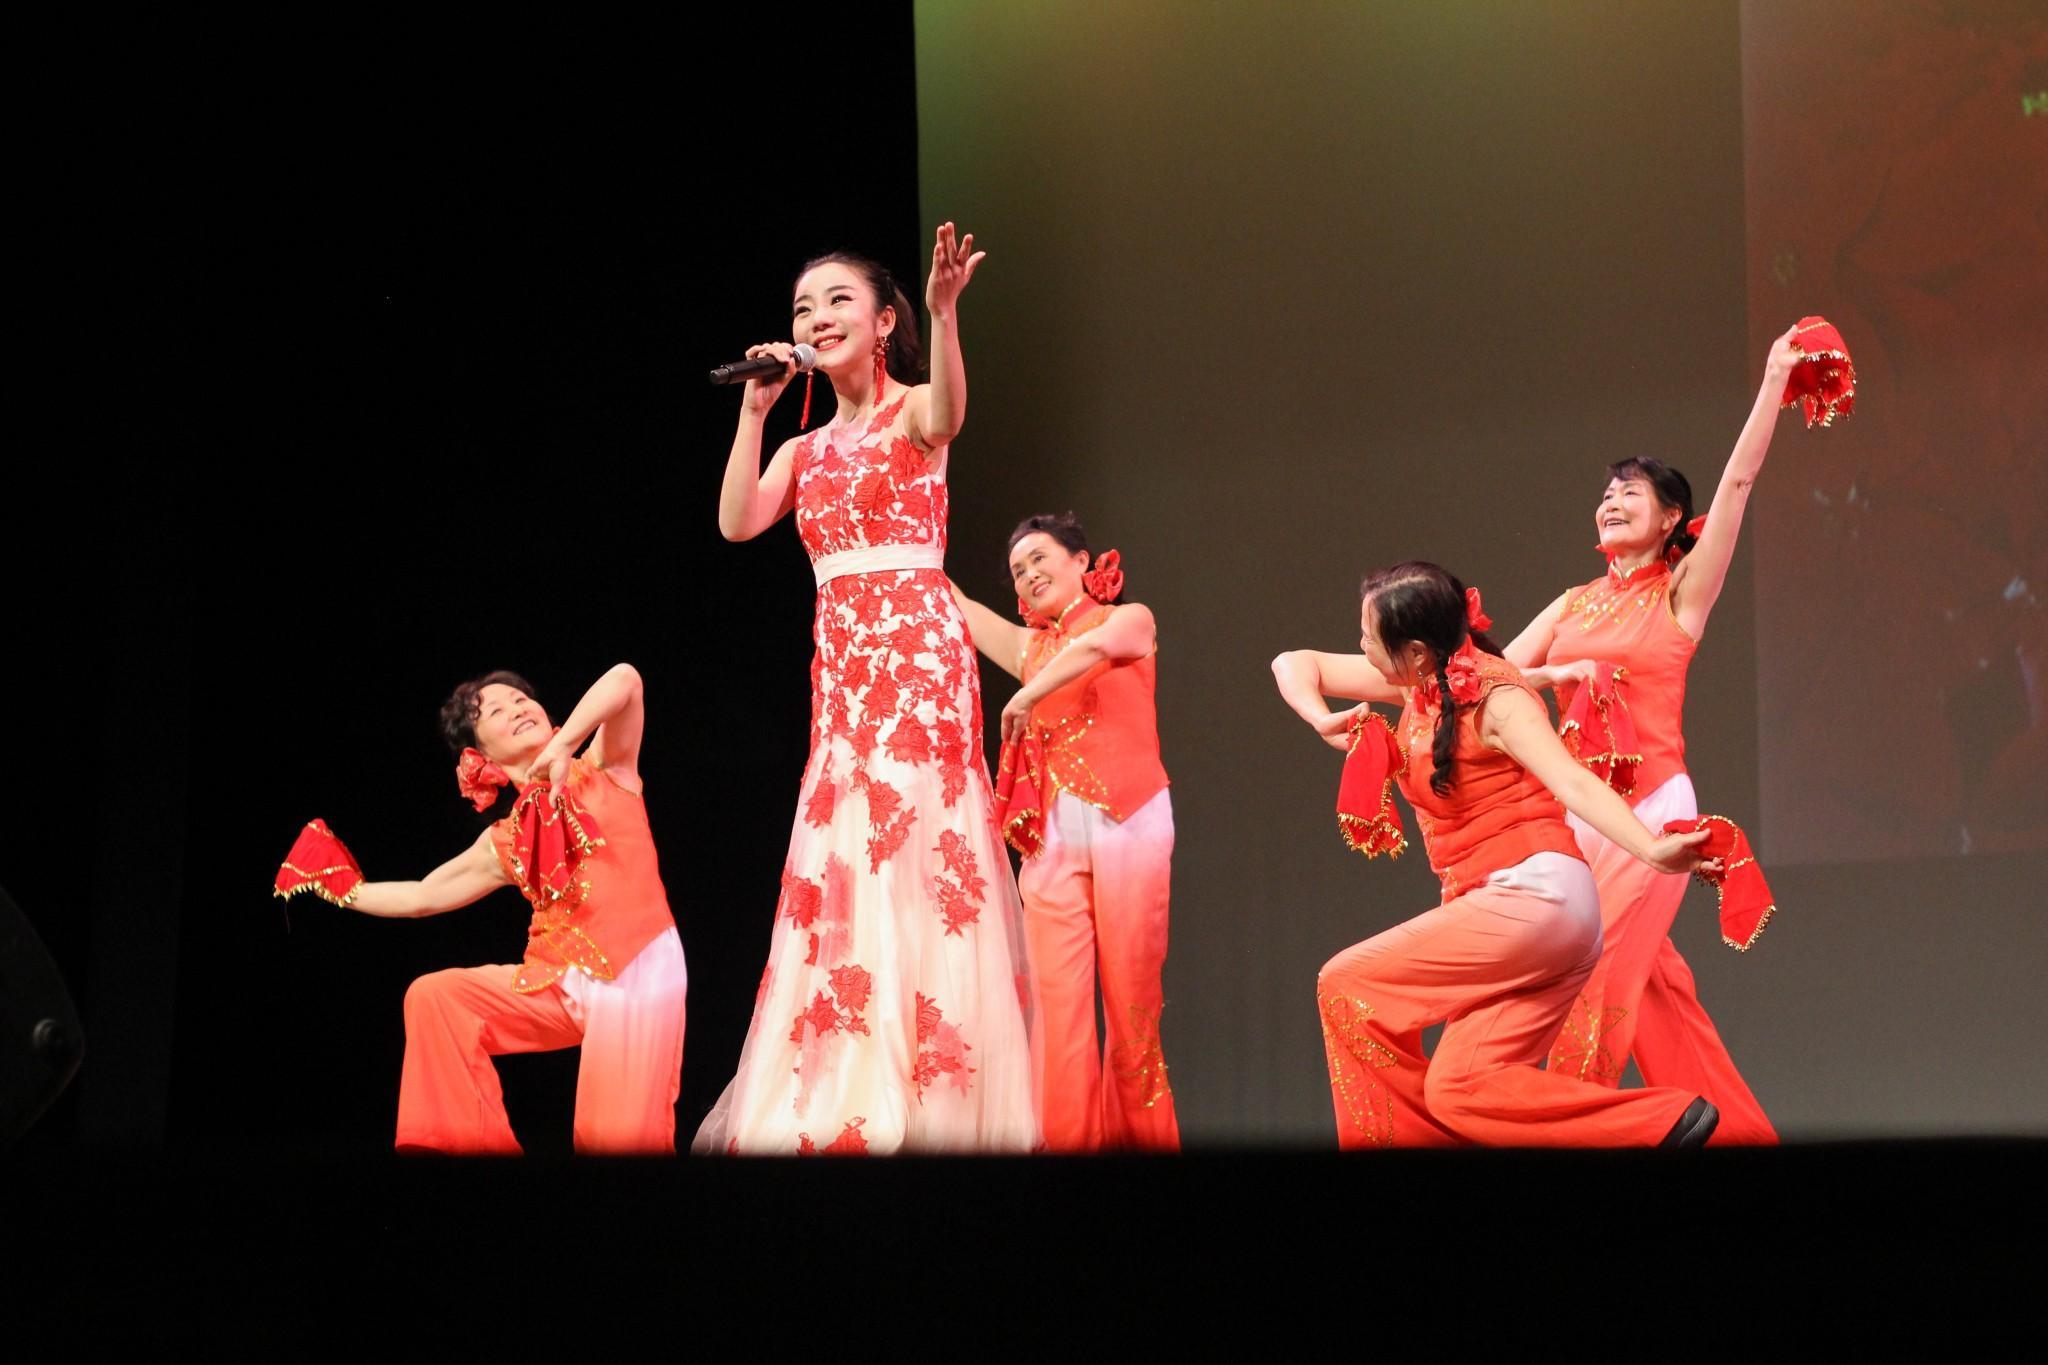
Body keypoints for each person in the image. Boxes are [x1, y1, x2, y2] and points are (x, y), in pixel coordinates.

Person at [700, 225, 1038, 1154]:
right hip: (844, 674)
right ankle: (851, 1081)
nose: (817, 316)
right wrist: (756, 412)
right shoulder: (805, 449)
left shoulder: (916, 409)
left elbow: (953, 415)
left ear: (884, 319)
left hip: (918, 663)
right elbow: (737, 523)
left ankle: (934, 1088)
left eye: (839, 299)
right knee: (848, 849)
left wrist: (945, 309)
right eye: (805, 306)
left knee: (919, 848)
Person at [1272, 563, 1720, 1147]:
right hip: (1530, 923)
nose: (1359, 647)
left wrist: (1654, 850)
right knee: (1460, 1087)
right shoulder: (1419, 684)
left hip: (1537, 900)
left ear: (1415, 652)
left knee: (1345, 985)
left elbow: (1573, 783)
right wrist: (1318, 716)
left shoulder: (1497, 697)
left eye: (1368, 639)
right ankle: (1661, 1124)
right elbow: (1293, 662)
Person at [1499, 330, 1800, 1144]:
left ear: (1670, 518)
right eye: (1605, 492)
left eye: (1631, 492)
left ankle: (1573, 1131)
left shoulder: (1679, 595)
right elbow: (1494, 680)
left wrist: (1773, 379)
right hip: (1577, 817)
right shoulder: (1571, 602)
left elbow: (1737, 482)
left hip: (1653, 815)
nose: (1611, 499)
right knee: (1664, 1005)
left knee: (1591, 992)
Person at [281, 665, 686, 1155]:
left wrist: (563, 747)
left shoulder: (605, 766)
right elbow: (422, 896)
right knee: (437, 997)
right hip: (556, 980)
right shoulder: (505, 839)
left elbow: (626, 680)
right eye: (496, 710)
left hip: (636, 967)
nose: (517, 708)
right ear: (481, 755)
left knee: (612, 1143)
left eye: (521, 700)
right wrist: (339, 887)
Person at [953, 513, 1179, 1151]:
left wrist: (1027, 696)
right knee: (1059, 1019)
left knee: (1133, 1013)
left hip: (1129, 822)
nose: (1027, 576)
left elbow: (1096, 650)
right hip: (1050, 843)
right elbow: (962, 610)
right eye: (1018, 572)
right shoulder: (1030, 649)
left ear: (1083, 561)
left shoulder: (1130, 619)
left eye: (1039, 559)